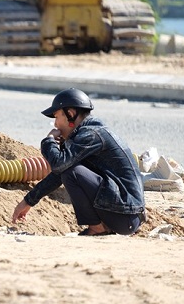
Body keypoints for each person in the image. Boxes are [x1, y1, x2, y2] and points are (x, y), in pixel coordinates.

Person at [12, 88, 146, 236]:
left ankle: (97, 229)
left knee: (71, 172)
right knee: (69, 170)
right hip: (126, 216)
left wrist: (49, 141)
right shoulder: (89, 133)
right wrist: (28, 201)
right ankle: (100, 227)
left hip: (125, 217)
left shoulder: (91, 135)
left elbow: (60, 165)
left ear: (70, 114)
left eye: (57, 117)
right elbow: (58, 172)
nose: (55, 125)